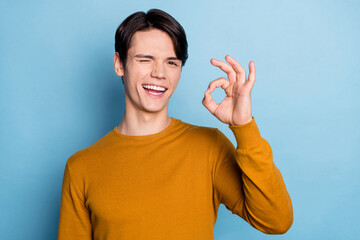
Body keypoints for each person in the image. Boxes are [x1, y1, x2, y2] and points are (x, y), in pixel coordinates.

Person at [57, 9, 293, 240]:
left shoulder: (209, 147)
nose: (159, 73)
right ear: (119, 64)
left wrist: (244, 127)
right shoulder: (81, 168)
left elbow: (276, 220)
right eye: (145, 59)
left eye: (171, 62)